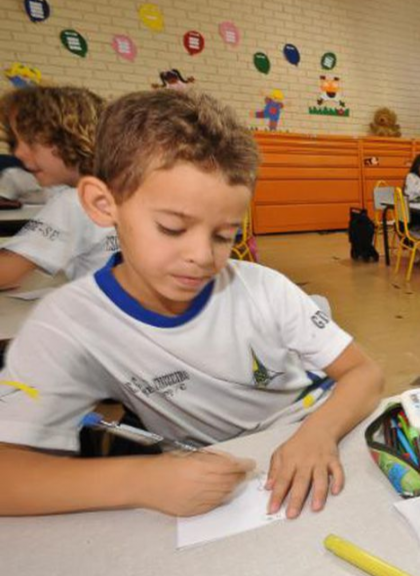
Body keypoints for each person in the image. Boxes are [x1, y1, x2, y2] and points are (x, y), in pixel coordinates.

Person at [0, 90, 384, 519]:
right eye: (171, 227)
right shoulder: (68, 323)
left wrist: (318, 433)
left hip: (322, 428)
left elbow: (363, 372)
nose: (202, 256)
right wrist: (143, 479)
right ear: (102, 204)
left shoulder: (263, 288)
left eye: (224, 236)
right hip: (230, 473)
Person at [0, 86, 118, 289]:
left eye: (29, 141)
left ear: (70, 137)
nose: (18, 153)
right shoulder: (119, 188)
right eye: (15, 143)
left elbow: (5, 274)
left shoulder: (75, 201)